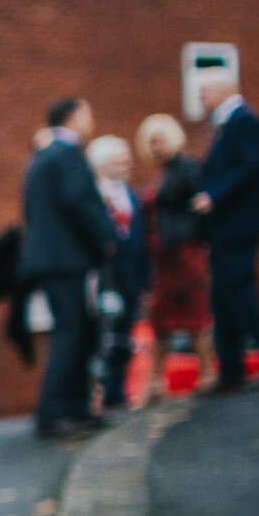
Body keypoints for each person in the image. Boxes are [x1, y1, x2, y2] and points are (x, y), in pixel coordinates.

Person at [19, 95, 116, 436]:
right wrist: (105, 237)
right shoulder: (68, 152)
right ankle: (57, 412)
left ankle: (71, 408)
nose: (91, 120)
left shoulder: (42, 156)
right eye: (88, 113)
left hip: (50, 258)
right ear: (73, 116)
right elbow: (79, 201)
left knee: (76, 329)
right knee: (72, 330)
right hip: (65, 257)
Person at [191, 72, 259, 392]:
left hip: (241, 224)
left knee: (237, 290)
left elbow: (252, 165)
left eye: (205, 91)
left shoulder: (244, 120)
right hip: (226, 227)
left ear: (225, 90)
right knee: (222, 295)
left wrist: (214, 194)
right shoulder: (225, 125)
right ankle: (230, 369)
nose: (200, 98)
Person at [141, 113, 212, 379]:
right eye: (152, 143)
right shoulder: (164, 173)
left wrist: (198, 241)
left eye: (160, 141)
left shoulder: (187, 167)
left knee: (195, 314)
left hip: (185, 253)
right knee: (160, 320)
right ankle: (155, 383)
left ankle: (207, 373)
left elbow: (200, 209)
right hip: (164, 258)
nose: (156, 148)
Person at [86, 135, 146, 413]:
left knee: (125, 333)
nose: (126, 162)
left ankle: (117, 392)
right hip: (104, 276)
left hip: (131, 275)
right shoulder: (91, 195)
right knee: (101, 336)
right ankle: (97, 393)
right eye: (119, 157)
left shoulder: (133, 195)